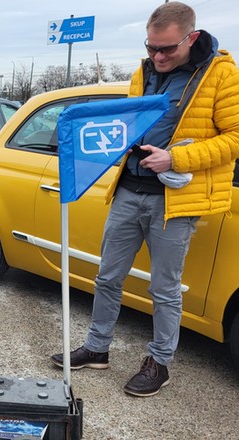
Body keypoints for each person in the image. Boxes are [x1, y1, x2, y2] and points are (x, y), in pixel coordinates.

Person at [51, 1, 239, 397]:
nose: (157, 56)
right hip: (129, 190)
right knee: (108, 276)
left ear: (192, 37)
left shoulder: (222, 74)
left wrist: (177, 157)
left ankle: (160, 363)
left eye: (167, 49)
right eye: (151, 47)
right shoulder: (144, 69)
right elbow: (126, 121)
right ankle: (97, 348)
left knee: (164, 289)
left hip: (176, 200)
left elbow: (235, 138)